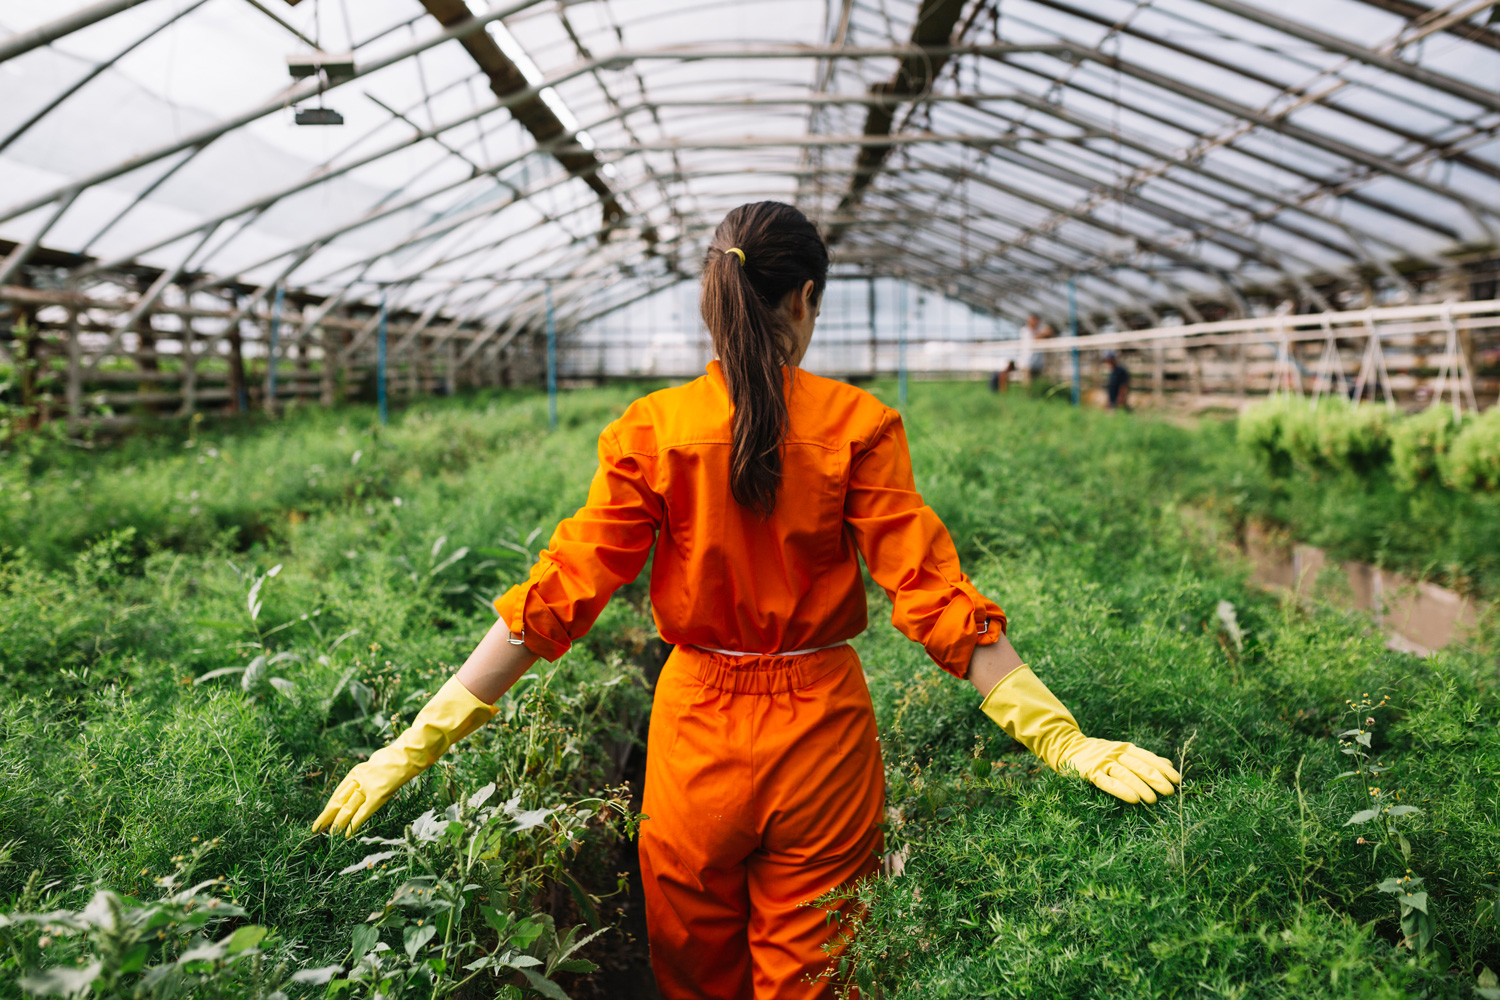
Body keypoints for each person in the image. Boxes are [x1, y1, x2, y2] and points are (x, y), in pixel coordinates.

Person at [313, 202, 1180, 1000]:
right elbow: (932, 595)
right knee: (814, 976)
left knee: (694, 972)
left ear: (711, 302)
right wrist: (1060, 737)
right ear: (806, 299)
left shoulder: (651, 431)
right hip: (823, 740)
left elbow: (554, 598)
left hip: (693, 735)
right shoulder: (859, 426)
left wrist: (411, 743)